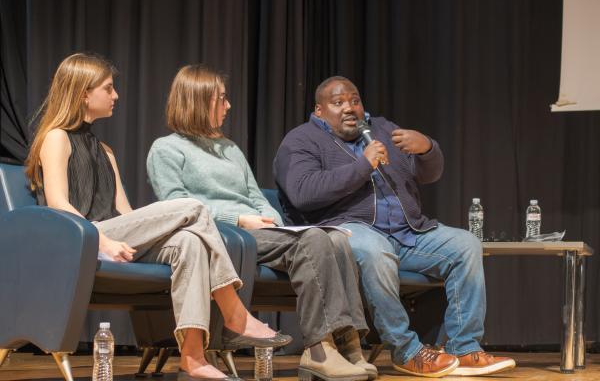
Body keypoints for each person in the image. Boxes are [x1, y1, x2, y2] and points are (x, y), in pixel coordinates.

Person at [24, 53, 291, 381]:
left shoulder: (105, 149)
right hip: (81, 237)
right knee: (193, 207)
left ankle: (192, 356)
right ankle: (234, 312)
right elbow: (57, 203)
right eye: (108, 88)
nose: (116, 95)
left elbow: (126, 213)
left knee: (190, 242)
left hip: (112, 233)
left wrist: (148, 233)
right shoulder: (57, 138)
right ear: (82, 94)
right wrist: (104, 240)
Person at [273, 76, 516, 378]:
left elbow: (428, 174)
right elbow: (303, 193)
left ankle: (464, 348)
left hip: (409, 232)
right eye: (338, 103)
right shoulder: (301, 140)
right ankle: (407, 351)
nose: (349, 108)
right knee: (375, 250)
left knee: (465, 245)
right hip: (347, 229)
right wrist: (363, 165)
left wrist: (428, 149)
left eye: (355, 100)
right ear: (319, 110)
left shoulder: (383, 129)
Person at [146, 65, 376, 381]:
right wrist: (239, 219)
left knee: (334, 239)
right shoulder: (166, 149)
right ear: (198, 102)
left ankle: (349, 345)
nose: (228, 106)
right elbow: (177, 208)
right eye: (221, 99)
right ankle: (319, 350)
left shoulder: (229, 148)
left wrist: (275, 222)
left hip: (260, 231)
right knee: (314, 240)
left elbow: (256, 196)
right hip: (220, 234)